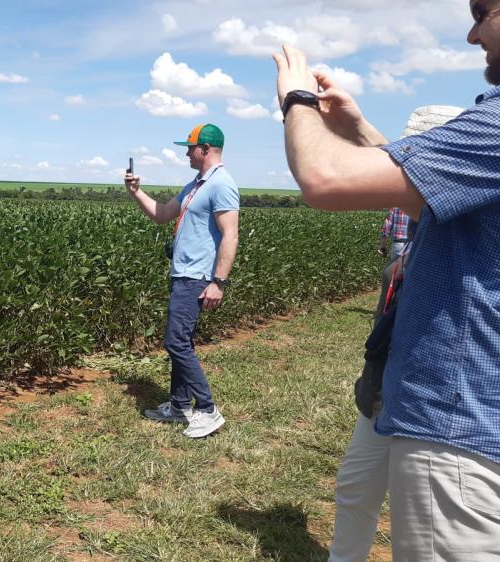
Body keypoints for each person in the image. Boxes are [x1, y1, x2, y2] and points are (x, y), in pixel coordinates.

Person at [274, 0, 500, 556]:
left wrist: (296, 100)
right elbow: (432, 195)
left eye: (484, 12)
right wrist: (357, 129)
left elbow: (324, 179)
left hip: (455, 423)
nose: (472, 35)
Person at [327, 105, 463, 562]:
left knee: (425, 529)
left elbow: (322, 181)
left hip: (433, 400)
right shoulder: (418, 233)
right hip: (388, 382)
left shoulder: (464, 236)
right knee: (355, 486)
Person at [125, 123, 240, 439]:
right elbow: (162, 214)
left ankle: (207, 409)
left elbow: (230, 235)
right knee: (182, 342)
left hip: (196, 277)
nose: (187, 154)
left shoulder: (221, 184)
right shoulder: (196, 185)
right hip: (183, 273)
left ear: (205, 149)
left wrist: (218, 282)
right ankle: (179, 406)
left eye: (190, 148)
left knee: (175, 342)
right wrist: (136, 192)